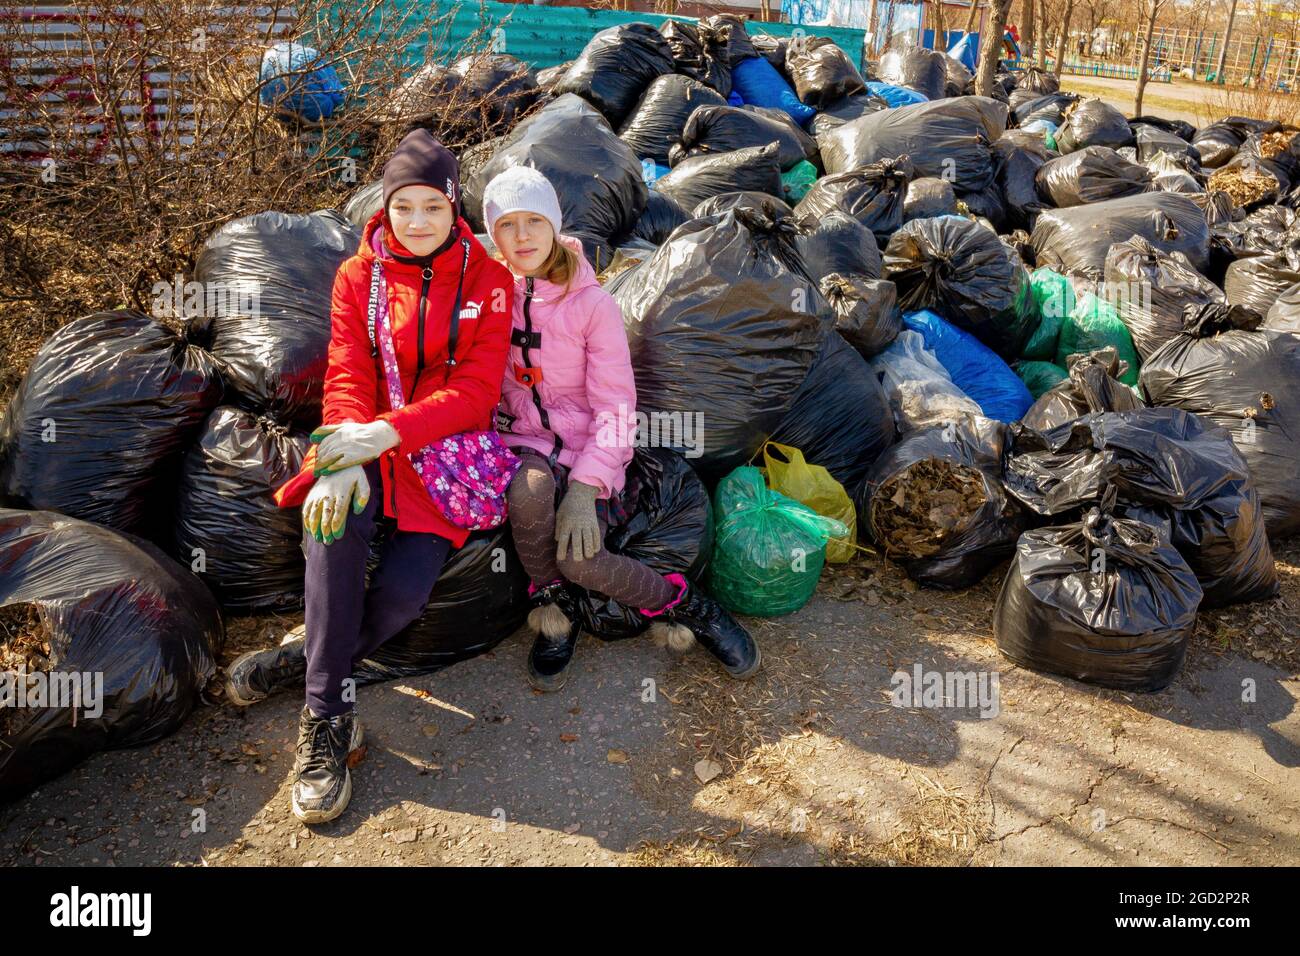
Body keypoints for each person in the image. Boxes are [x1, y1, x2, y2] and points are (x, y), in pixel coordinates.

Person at [224, 130, 514, 824]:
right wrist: (335, 459)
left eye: (432, 208)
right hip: (363, 443)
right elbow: (348, 373)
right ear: (385, 209)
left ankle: (306, 661)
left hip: (440, 452)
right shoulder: (360, 276)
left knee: (406, 596)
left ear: (455, 209)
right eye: (403, 207)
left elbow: (476, 393)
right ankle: (327, 718)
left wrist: (392, 429)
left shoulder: (489, 280)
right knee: (330, 532)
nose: (417, 223)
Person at [481, 165, 761, 692]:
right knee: (528, 495)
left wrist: (587, 487)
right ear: (493, 233)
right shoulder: (494, 294)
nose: (521, 237)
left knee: (578, 556)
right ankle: (553, 609)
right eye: (507, 225)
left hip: (592, 446)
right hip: (527, 442)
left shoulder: (592, 305)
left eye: (533, 222)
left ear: (554, 226)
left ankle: (686, 603)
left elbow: (616, 406)